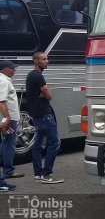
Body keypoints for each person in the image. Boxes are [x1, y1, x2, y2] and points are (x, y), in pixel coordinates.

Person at [26, 52, 63, 184]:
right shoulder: (38, 76)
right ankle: (46, 174)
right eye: (44, 59)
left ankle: (38, 174)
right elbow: (49, 96)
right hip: (44, 114)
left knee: (38, 144)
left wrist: (44, 92)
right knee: (54, 142)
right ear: (36, 61)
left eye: (47, 59)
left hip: (37, 115)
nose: (47, 61)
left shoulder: (31, 75)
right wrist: (46, 92)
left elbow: (45, 93)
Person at [0, 60, 24, 179]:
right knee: (10, 144)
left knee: (5, 143)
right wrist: (7, 119)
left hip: (9, 118)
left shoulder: (3, 80)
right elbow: (1, 101)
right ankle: (8, 171)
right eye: (12, 68)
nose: (14, 70)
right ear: (4, 69)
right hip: (10, 119)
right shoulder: (4, 81)